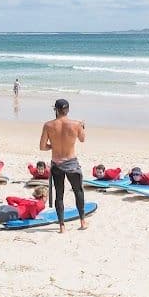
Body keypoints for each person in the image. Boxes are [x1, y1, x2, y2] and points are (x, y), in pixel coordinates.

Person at [40, 98, 87, 233]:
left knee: (59, 195)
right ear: (68, 110)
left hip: (57, 164)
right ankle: (83, 222)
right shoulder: (76, 124)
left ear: (55, 110)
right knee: (78, 191)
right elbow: (83, 139)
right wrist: (82, 127)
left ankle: (62, 226)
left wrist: (53, 146)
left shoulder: (48, 125)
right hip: (71, 162)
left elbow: (42, 147)